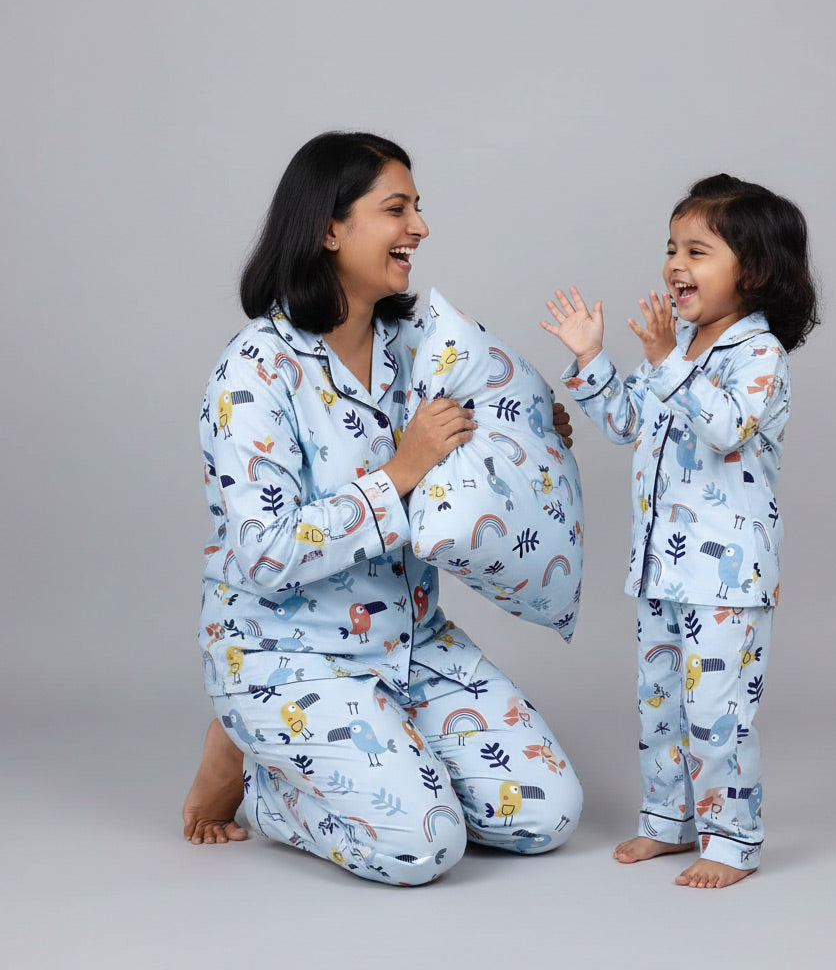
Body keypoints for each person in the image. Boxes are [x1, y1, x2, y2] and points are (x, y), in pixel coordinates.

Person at [183, 132, 583, 885]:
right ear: (330, 228)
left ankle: (377, 757)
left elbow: (484, 443)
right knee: (422, 849)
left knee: (547, 814)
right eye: (396, 209)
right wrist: (401, 470)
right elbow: (265, 552)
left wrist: (533, 435)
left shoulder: (419, 347)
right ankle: (262, 777)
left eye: (418, 209)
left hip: (413, 643)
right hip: (286, 653)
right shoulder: (254, 371)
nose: (420, 228)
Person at [541, 174, 818, 888]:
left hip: (727, 579)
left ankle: (732, 840)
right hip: (661, 570)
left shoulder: (761, 358)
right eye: (671, 248)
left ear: (752, 272)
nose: (675, 265)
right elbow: (628, 423)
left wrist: (667, 363)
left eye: (697, 250)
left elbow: (725, 431)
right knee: (659, 706)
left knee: (718, 714)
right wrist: (590, 360)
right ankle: (668, 823)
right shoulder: (683, 346)